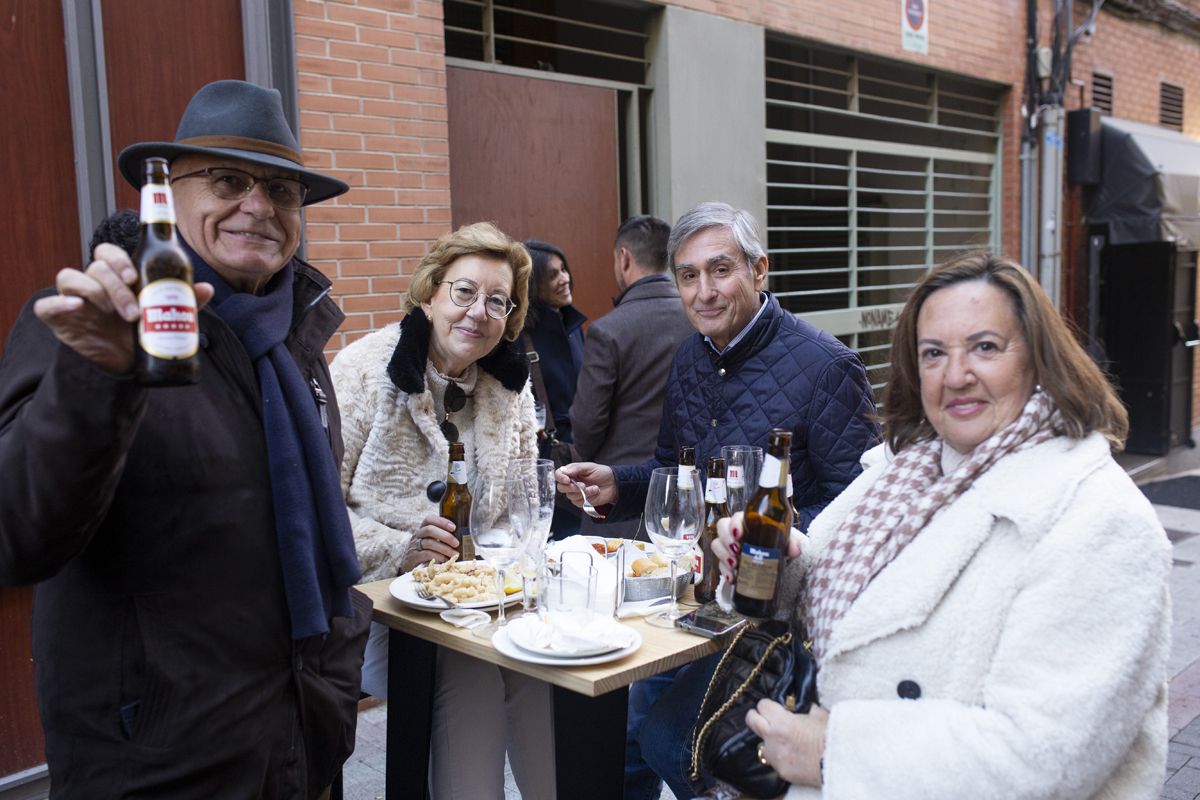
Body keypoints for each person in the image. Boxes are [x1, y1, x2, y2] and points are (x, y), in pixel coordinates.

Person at [0, 79, 369, 798]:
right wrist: (98, 380)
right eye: (229, 181)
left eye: (282, 190)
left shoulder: (294, 340)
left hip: (301, 740)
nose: (259, 206)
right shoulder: (91, 323)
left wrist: (337, 672)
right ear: (165, 194)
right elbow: (17, 534)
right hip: (158, 766)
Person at [708, 253, 1171, 798]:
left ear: (1038, 359)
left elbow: (1047, 755)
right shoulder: (902, 467)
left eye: (985, 347)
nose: (956, 375)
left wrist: (836, 753)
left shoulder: (1098, 517)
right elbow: (842, 604)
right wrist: (774, 564)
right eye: (934, 353)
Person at [555, 201, 879, 799]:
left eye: (720, 270)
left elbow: (859, 509)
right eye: (688, 275)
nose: (704, 291)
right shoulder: (690, 358)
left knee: (681, 747)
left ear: (760, 270)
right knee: (632, 746)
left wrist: (771, 537)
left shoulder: (829, 366)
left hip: (769, 620)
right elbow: (674, 468)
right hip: (693, 599)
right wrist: (619, 482)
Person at [331, 222, 555, 799]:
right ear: (429, 294)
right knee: (472, 673)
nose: (479, 312)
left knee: (544, 670)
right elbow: (319, 509)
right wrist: (399, 550)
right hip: (384, 608)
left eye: (497, 301)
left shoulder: (508, 387)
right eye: (464, 292)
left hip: (487, 600)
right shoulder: (362, 371)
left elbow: (521, 505)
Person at [569, 214, 693, 538]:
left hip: (619, 505)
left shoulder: (607, 331)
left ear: (625, 258)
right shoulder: (699, 320)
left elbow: (586, 426)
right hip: (686, 498)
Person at [524, 238, 587, 536]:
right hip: (544, 457)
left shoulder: (572, 327)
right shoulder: (522, 337)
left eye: (564, 270)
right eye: (552, 275)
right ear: (532, 285)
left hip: (581, 451)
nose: (564, 279)